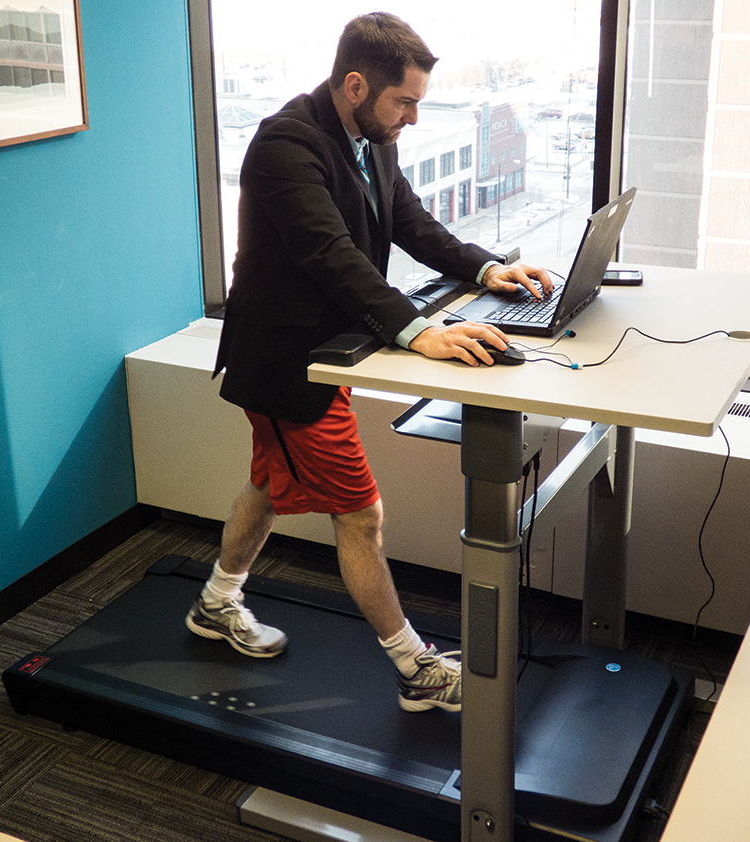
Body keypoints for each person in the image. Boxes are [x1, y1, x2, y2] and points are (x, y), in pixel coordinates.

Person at [192, 12, 553, 713]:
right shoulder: (285, 144)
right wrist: (418, 332)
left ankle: (214, 604)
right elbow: (332, 255)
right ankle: (414, 670)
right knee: (361, 516)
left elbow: (411, 222)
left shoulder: (370, 137)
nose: (414, 117)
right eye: (405, 102)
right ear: (355, 84)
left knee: (270, 480)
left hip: (330, 354)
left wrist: (486, 268)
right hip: (287, 364)